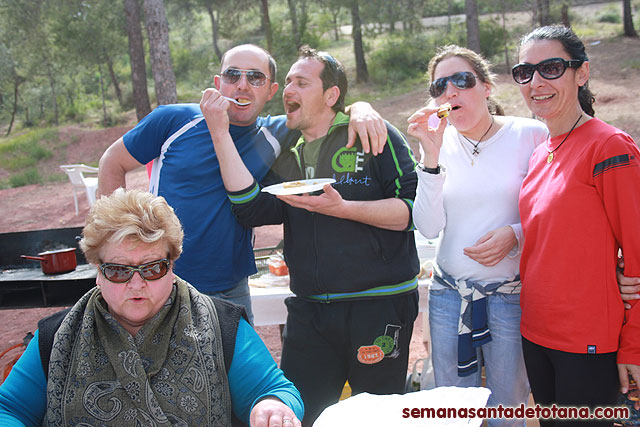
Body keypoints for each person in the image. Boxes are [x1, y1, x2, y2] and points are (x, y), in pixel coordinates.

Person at [199, 46, 419, 425]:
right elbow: (251, 208)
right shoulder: (285, 151)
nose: (288, 89)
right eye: (286, 82)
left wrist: (344, 209)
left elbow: (411, 213)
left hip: (378, 306)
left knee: (376, 419)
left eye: (301, 82)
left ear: (331, 95)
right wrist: (220, 134)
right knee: (299, 414)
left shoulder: (371, 134)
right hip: (309, 310)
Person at [98, 44, 387, 324]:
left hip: (231, 287)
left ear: (271, 90)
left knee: (232, 372)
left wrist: (360, 108)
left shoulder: (277, 132)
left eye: (256, 77)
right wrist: (115, 244)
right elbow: (112, 162)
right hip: (163, 281)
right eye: (232, 75)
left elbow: (320, 112)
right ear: (218, 82)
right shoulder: (174, 120)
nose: (242, 85)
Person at [0, 189, 303, 426]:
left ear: (172, 266)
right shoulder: (56, 338)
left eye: (152, 268)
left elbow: (277, 392)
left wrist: (272, 407)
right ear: (98, 271)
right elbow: (9, 408)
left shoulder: (222, 327)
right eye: (118, 271)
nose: (136, 284)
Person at [407, 45, 548, 427]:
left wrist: (516, 234)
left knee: (508, 407)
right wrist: (430, 157)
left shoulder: (531, 134)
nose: (450, 92)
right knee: (453, 410)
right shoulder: (437, 144)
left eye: (462, 80)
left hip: (511, 297)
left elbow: (555, 209)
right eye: (440, 86)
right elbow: (429, 227)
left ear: (486, 87)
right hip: (449, 295)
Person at [514, 25, 640, 425]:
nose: (536, 82)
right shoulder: (540, 153)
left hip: (588, 342)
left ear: (581, 73)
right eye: (524, 72)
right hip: (536, 333)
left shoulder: (610, 146)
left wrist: (634, 345)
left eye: (551, 68)